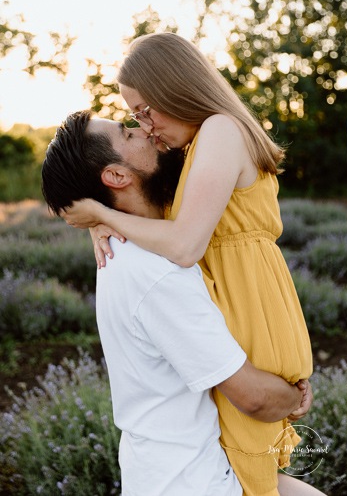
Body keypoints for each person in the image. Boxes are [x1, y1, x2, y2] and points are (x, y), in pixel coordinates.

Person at [60, 33, 315, 496]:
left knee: (257, 479)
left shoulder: (219, 128)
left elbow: (183, 244)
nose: (145, 126)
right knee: (261, 482)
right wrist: (99, 216)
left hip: (250, 309)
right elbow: (149, 207)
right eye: (133, 119)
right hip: (241, 317)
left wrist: (101, 214)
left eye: (143, 111)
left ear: (173, 88)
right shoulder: (192, 150)